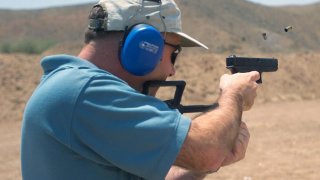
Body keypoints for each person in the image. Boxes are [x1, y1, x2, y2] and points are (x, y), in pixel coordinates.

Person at [21, 0, 260, 179]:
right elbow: (206, 149)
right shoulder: (85, 91)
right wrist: (234, 94)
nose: (171, 70)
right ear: (144, 45)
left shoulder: (73, 87)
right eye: (173, 53)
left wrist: (200, 167)